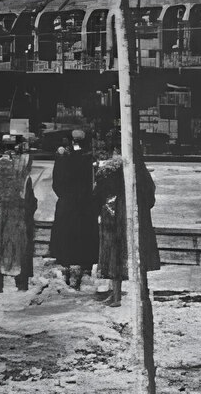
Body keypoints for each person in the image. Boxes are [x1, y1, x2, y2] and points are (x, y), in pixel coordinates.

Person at [93, 140, 161, 307]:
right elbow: (150, 197)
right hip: (135, 218)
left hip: (115, 216)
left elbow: (99, 192)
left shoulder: (111, 170)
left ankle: (117, 295)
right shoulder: (139, 171)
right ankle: (141, 293)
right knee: (138, 257)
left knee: (115, 256)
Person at [0, 133, 36, 293]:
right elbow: (29, 195)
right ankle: (21, 284)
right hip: (18, 214)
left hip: (2, 214)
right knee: (19, 248)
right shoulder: (23, 168)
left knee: (0, 248)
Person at [49, 129, 97, 289]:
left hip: (67, 203)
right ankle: (83, 272)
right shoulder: (89, 158)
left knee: (66, 238)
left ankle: (67, 272)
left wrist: (64, 196)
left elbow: (56, 183)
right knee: (84, 238)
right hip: (84, 204)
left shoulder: (63, 157)